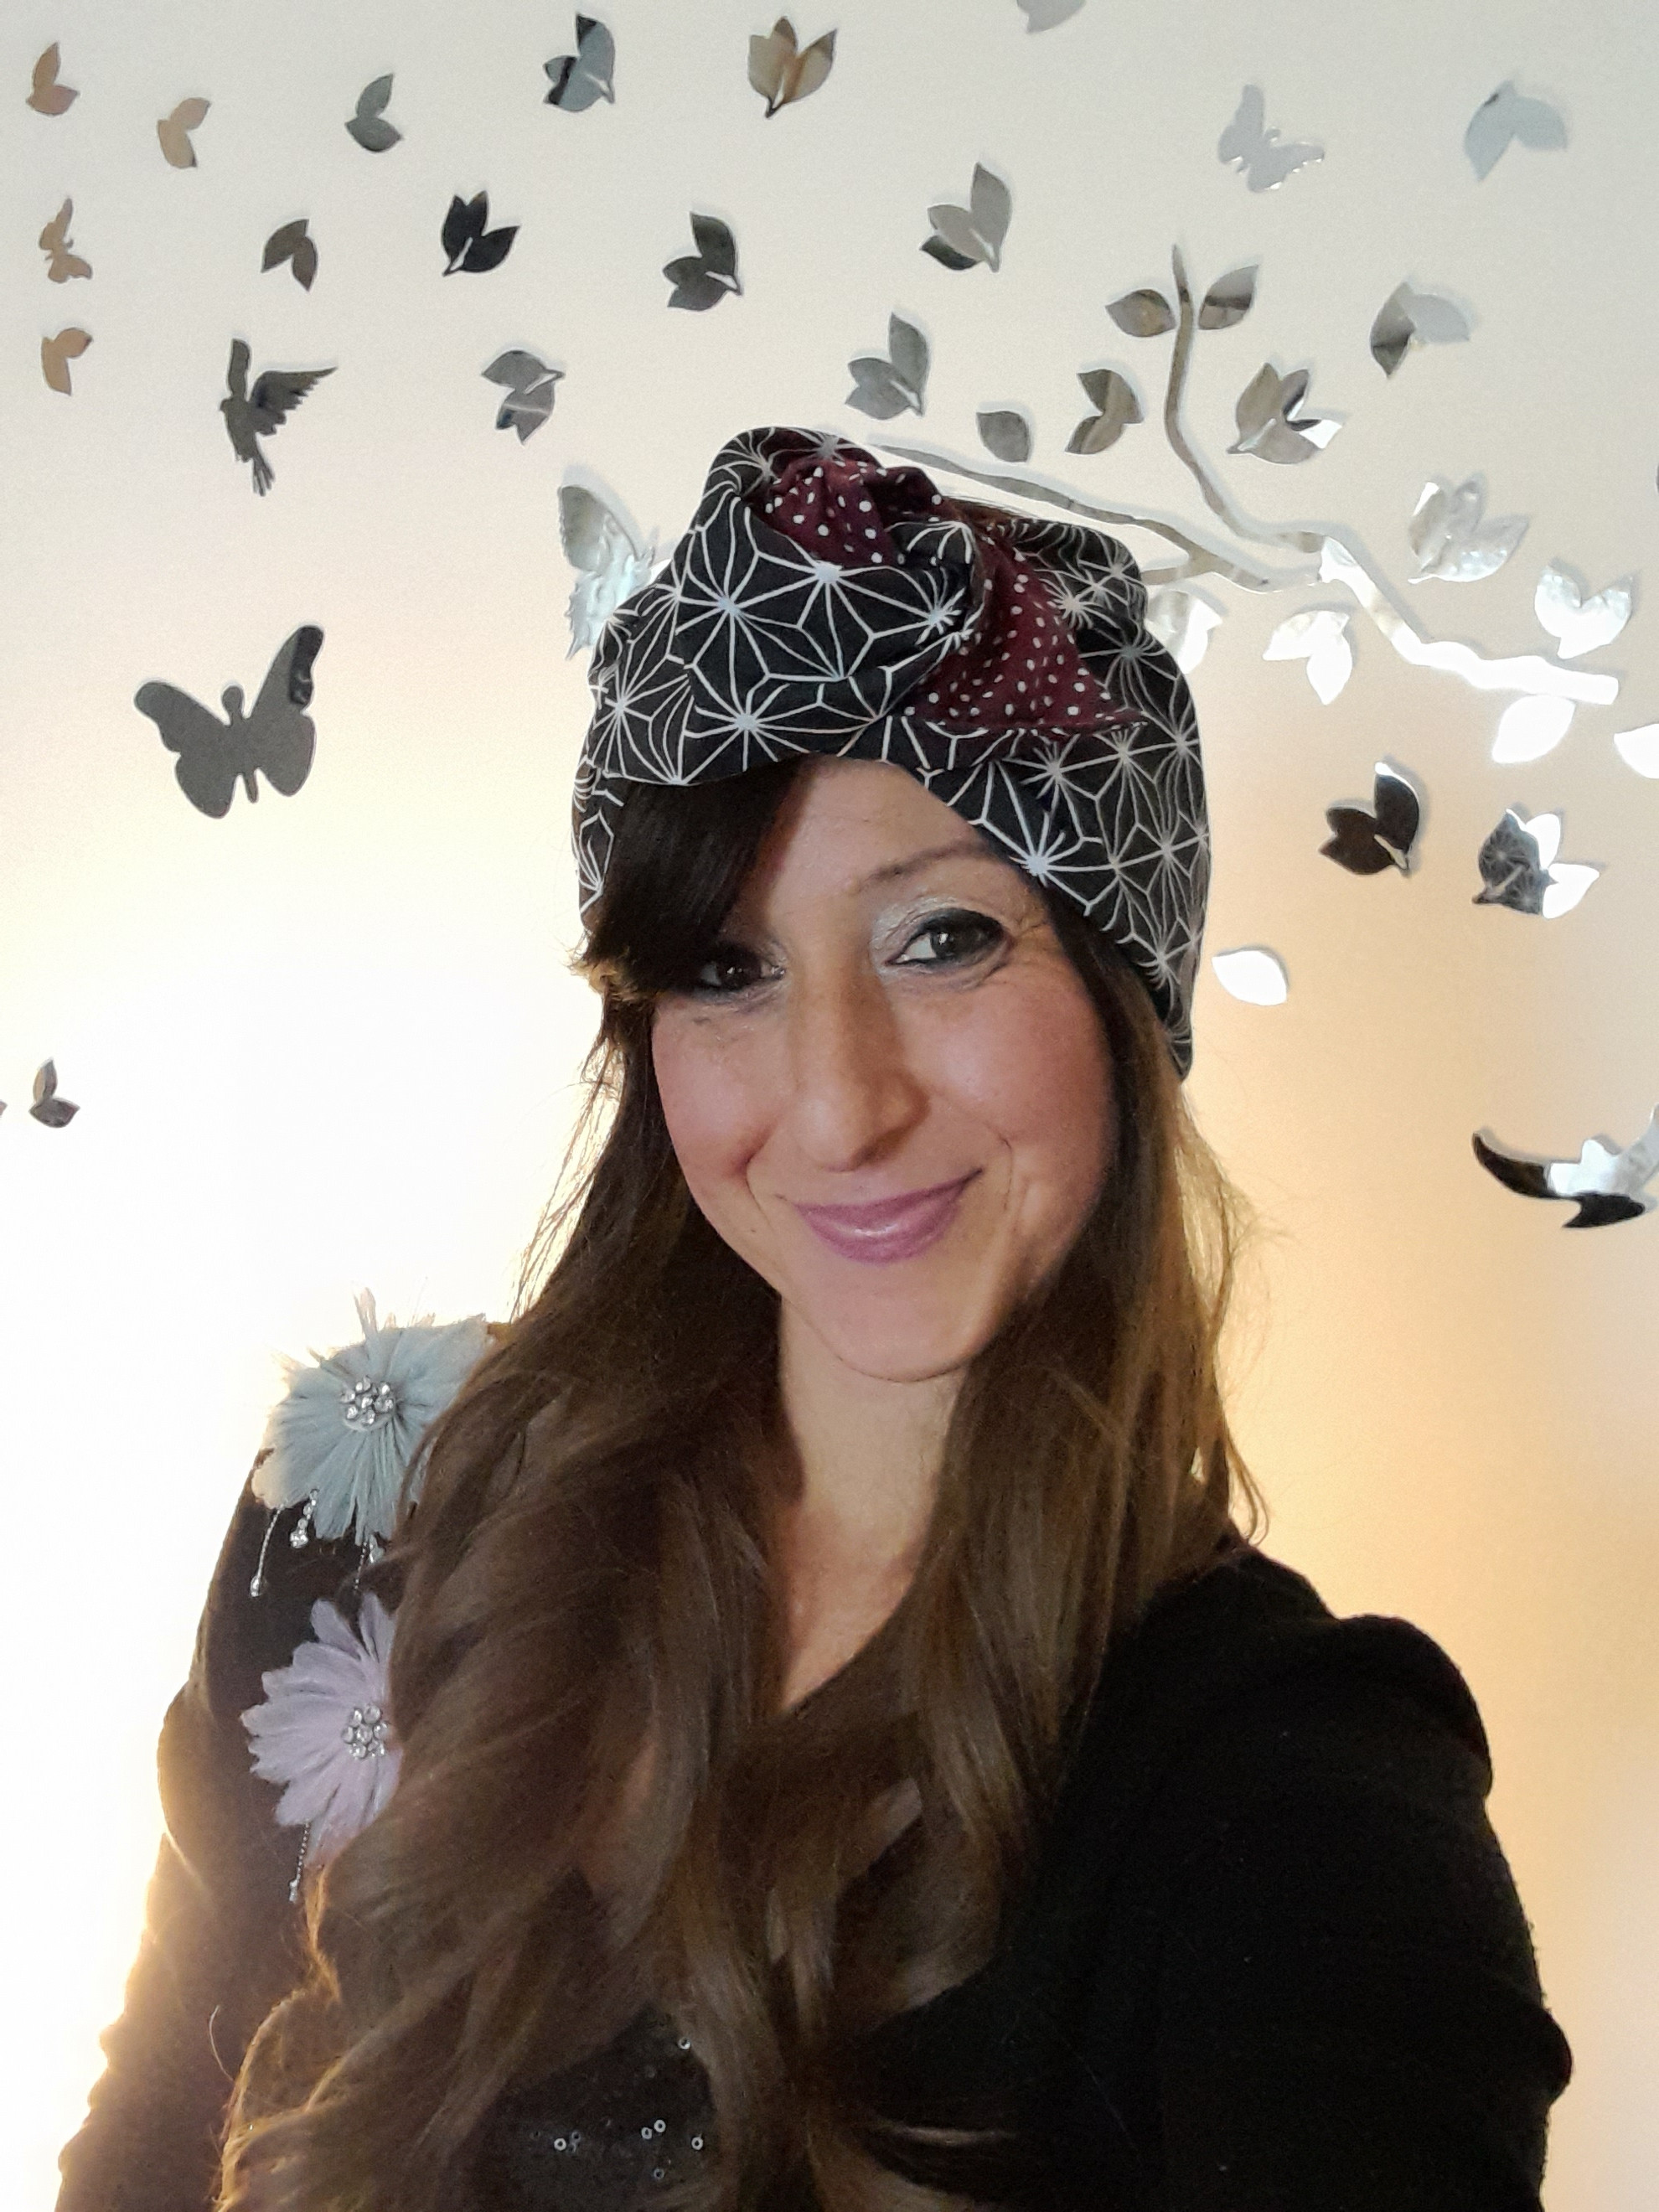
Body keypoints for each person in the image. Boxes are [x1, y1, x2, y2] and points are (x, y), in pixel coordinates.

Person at [56, 425, 1573, 2212]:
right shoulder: (358, 1518)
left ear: (1122, 991)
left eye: (943, 940)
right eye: (728, 969)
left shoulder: (1292, 1796)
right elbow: (155, 2140)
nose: (840, 1109)